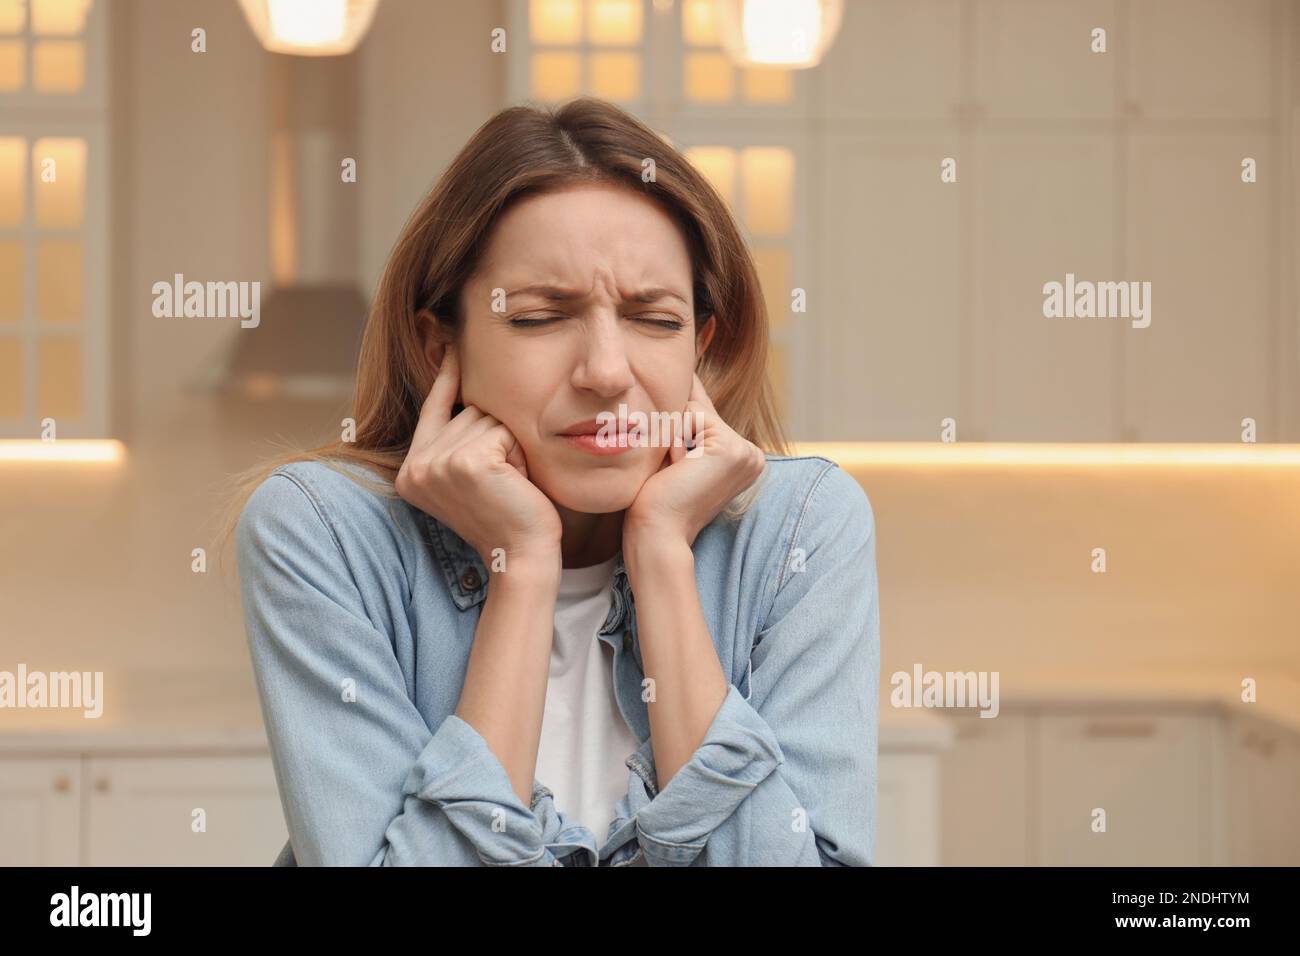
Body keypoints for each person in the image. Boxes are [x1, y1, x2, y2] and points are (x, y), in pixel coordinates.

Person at [221, 96, 880, 866]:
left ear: (699, 348)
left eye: (655, 320)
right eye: (539, 317)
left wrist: (663, 556)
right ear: (440, 347)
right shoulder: (321, 533)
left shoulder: (803, 528)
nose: (606, 372)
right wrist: (523, 567)